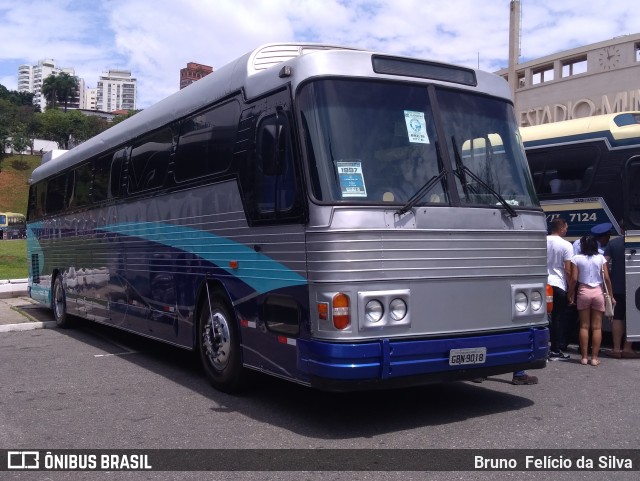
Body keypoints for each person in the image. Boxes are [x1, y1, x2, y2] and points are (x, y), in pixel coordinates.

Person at [568, 235, 614, 366]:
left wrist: (570, 294)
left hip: (583, 291)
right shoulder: (600, 258)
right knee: (597, 327)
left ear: (582, 245)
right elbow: (606, 278)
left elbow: (574, 279)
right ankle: (594, 358)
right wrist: (610, 295)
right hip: (598, 292)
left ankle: (583, 357)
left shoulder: (576, 258)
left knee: (584, 326)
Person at [604, 223, 640, 359]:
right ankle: (627, 348)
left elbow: (605, 263)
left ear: (621, 229)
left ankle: (616, 349)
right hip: (636, 287)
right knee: (633, 316)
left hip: (616, 286)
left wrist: (608, 279)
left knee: (617, 317)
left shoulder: (613, 244)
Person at [546, 218, 573, 361]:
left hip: (543, 284)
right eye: (566, 227)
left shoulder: (542, 241)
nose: (567, 230)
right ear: (561, 228)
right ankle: (555, 350)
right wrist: (570, 289)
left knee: (542, 317)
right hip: (558, 285)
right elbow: (568, 270)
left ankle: (542, 348)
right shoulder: (566, 245)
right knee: (557, 318)